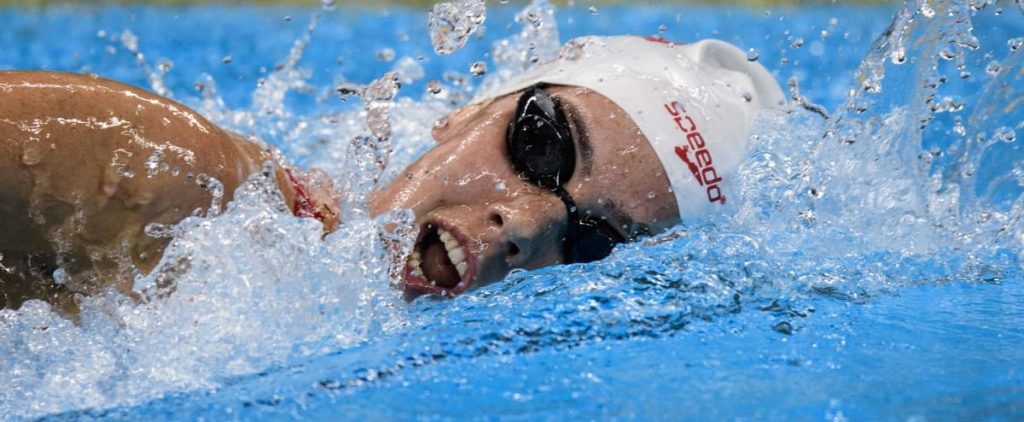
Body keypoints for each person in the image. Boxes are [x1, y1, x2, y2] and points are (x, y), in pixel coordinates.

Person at [0, 36, 784, 314]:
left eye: (596, 241)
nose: (532, 224)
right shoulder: (182, 182)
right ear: (463, 111)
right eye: (544, 145)